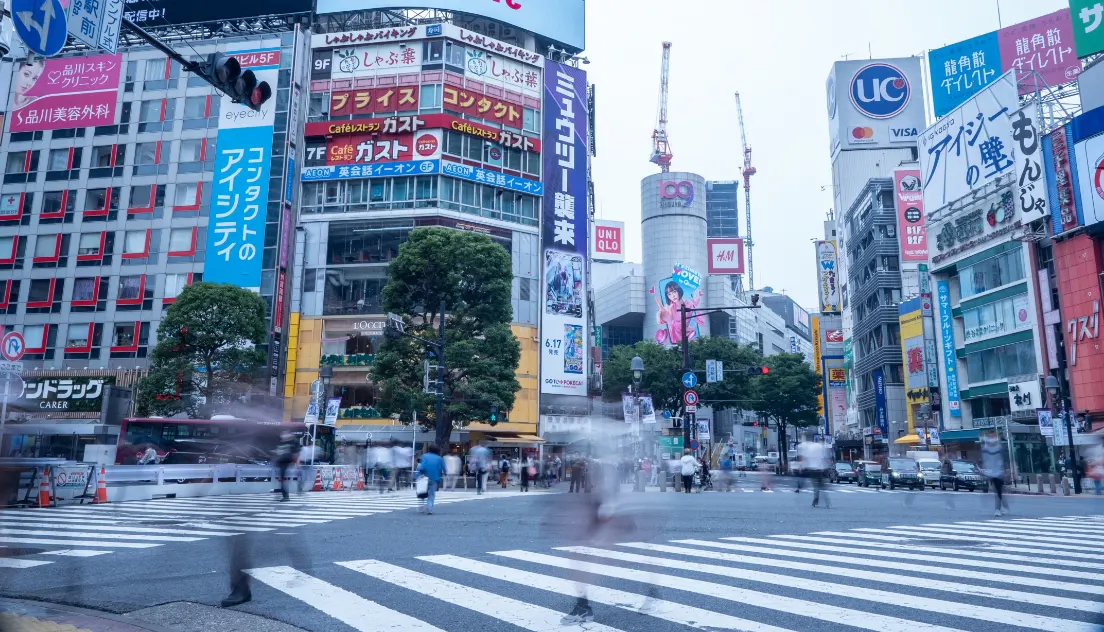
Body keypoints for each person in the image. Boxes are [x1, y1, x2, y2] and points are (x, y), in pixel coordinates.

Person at [980, 430, 1009, 516]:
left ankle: (997, 509)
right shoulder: (985, 449)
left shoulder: (999, 448)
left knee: (998, 491)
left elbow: (1004, 460)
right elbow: (984, 461)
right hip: (991, 473)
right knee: (998, 491)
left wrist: (1006, 470)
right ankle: (1005, 507)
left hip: (999, 472)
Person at [415, 444, 446, 514]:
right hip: (434, 477)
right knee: (431, 494)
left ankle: (421, 507)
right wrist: (445, 474)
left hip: (424, 477)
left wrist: (420, 473)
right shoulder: (439, 458)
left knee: (422, 492)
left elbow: (421, 467)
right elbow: (444, 469)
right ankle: (429, 508)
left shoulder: (424, 456)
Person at [274, 432, 300, 501]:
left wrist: (296, 462)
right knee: (282, 480)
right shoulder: (283, 445)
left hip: (285, 463)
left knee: (283, 480)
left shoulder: (288, 445)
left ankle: (286, 496)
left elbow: (294, 454)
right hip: (283, 463)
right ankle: (285, 496)